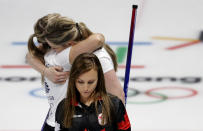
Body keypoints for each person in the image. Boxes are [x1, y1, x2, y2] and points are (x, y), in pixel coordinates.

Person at [26, 13, 125, 130]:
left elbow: (117, 98)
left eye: (54, 47)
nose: (50, 50)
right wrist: (45, 71)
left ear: (70, 44)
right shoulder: (56, 54)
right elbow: (30, 56)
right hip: (61, 121)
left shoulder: (90, 57)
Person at [55, 53, 131, 131]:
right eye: (80, 82)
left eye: (90, 82)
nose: (86, 88)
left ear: (99, 79)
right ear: (73, 80)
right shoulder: (63, 107)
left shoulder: (114, 104)